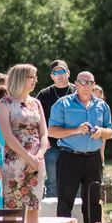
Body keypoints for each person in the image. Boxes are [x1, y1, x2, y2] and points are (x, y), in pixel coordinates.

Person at [48, 71, 112, 223]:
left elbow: (111, 131)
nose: (85, 85)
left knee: (93, 202)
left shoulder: (102, 106)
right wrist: (76, 130)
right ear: (75, 84)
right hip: (70, 157)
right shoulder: (63, 104)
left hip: (93, 158)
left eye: (89, 82)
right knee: (65, 202)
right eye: (82, 82)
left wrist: (101, 131)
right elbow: (52, 131)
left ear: (94, 85)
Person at [0, 64, 48, 223]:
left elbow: (44, 134)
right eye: (31, 77)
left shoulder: (36, 103)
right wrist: (27, 157)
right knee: (11, 212)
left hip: (37, 164)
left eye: (35, 77)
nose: (35, 80)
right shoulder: (5, 103)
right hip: (15, 164)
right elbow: (8, 136)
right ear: (20, 78)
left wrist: (38, 156)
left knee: (34, 212)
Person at [36, 60, 76, 198]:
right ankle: (54, 217)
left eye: (62, 71)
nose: (60, 75)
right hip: (51, 146)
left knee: (75, 183)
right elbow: (37, 120)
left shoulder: (77, 91)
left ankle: (76, 217)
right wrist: (43, 140)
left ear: (68, 73)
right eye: (56, 72)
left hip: (75, 146)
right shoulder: (44, 94)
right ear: (52, 76)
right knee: (52, 183)